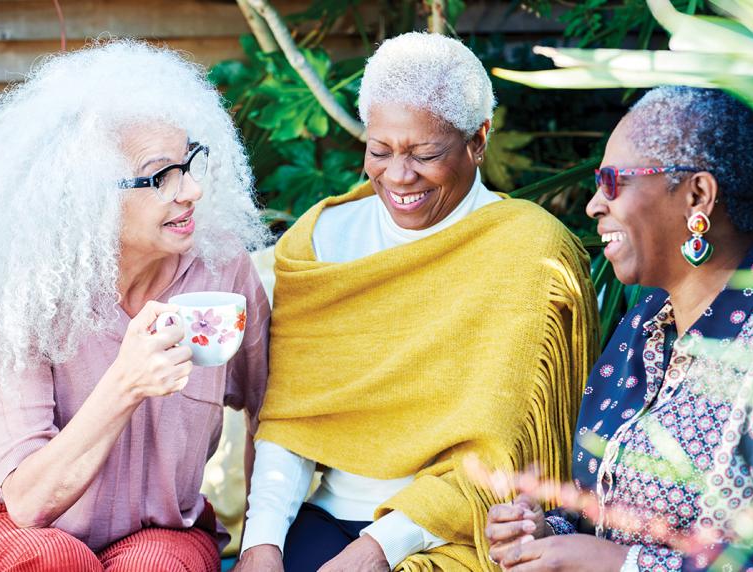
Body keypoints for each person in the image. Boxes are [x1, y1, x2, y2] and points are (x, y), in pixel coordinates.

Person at [234, 32, 599, 572]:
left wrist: (378, 548)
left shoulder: (528, 251)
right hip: (329, 516)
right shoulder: (321, 239)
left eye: (425, 155)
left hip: (461, 529)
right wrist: (261, 543)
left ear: (479, 140)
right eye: (379, 151)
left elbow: (499, 451)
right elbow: (291, 421)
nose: (399, 176)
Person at [485, 86, 753, 571]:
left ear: (697, 195)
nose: (594, 205)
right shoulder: (647, 319)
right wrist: (547, 534)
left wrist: (620, 564)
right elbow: (603, 520)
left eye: (612, 181)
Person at [0, 40, 271, 571]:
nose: (192, 190)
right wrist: (127, 383)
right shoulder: (30, 289)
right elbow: (27, 503)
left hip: (164, 530)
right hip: (22, 527)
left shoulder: (223, 271)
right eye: (161, 176)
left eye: (189, 162)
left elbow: (272, 412)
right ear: (88, 196)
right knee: (54, 560)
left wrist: (260, 545)